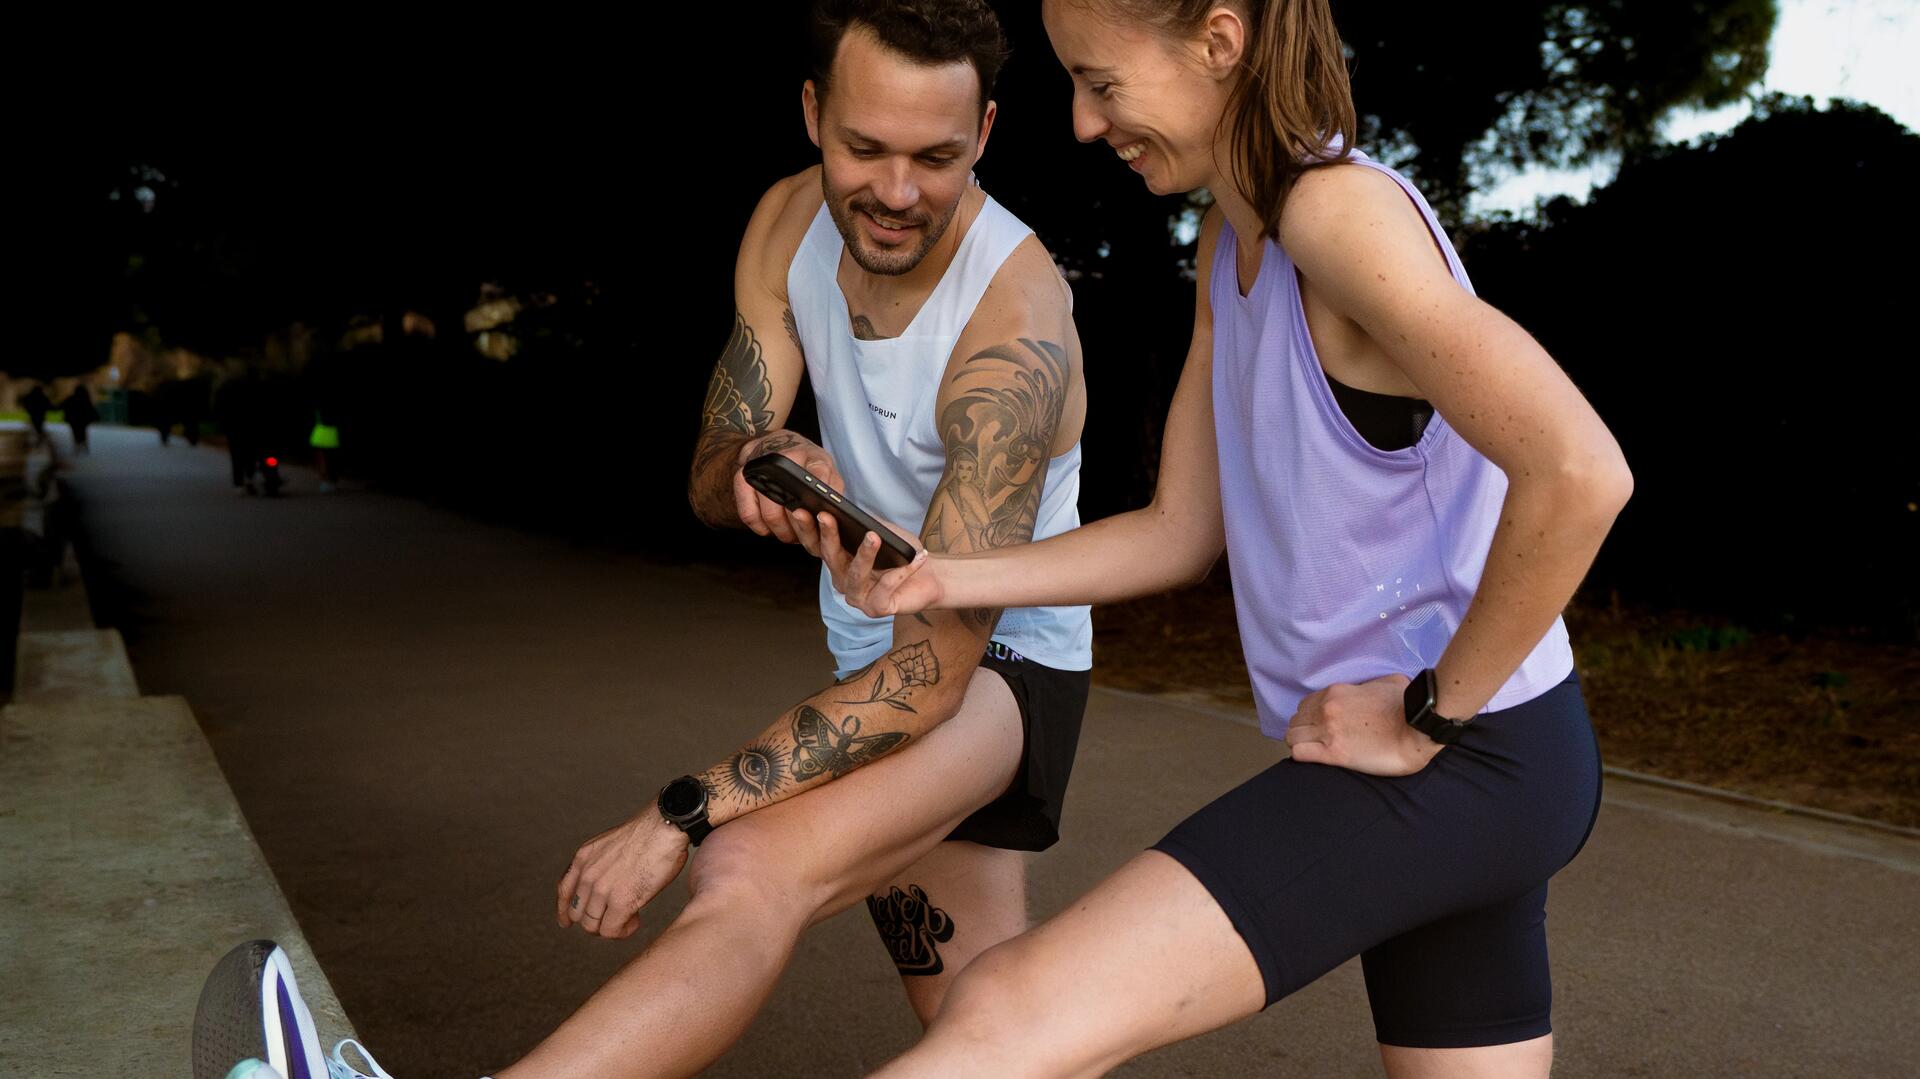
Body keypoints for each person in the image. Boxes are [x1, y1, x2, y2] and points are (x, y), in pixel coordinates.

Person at [197, 3, 1095, 1078]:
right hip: (873, 658)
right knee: (991, 1024)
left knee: (752, 865)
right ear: (813, 113)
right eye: (866, 148)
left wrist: (684, 808)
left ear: (986, 133)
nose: (897, 191)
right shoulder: (786, 226)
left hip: (999, 669)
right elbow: (710, 468)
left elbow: (934, 676)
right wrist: (760, 458)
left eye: (935, 158)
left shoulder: (1016, 315)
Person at [816, 2, 1633, 1076]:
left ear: (1218, 38)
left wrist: (1433, 708)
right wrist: (942, 577)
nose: (1082, 122)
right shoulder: (1232, 243)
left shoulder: (1334, 216)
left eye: (1101, 83)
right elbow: (1178, 530)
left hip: (1458, 758)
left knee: (1009, 1005)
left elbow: (1580, 471)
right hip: (1494, 759)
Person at [60, 384, 99, 454]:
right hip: (83, 420)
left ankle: (78, 444)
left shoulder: (72, 398)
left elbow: (63, 405)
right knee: (83, 432)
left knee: (75, 432)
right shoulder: (85, 399)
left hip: (73, 420)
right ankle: (83, 445)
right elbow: (90, 408)